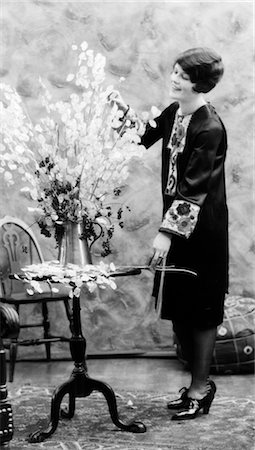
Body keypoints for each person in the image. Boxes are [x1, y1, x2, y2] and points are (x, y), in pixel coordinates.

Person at [111, 47, 228, 420]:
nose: (174, 79)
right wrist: (123, 113)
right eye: (174, 73)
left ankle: (199, 388)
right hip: (176, 227)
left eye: (182, 75)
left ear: (199, 82)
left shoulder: (209, 127)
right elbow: (143, 137)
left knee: (202, 311)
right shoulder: (175, 113)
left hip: (203, 232)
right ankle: (197, 385)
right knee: (179, 307)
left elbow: (194, 188)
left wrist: (166, 234)